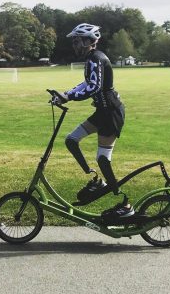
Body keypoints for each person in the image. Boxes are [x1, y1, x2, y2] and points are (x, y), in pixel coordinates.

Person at [52, 23, 134, 218]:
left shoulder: (96, 58)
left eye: (77, 41)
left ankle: (125, 203)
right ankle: (95, 177)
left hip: (111, 114)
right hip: (101, 112)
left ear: (89, 41)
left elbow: (94, 88)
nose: (75, 45)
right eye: (74, 42)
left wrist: (69, 97)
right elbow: (86, 83)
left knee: (103, 160)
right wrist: (66, 93)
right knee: (71, 140)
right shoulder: (91, 59)